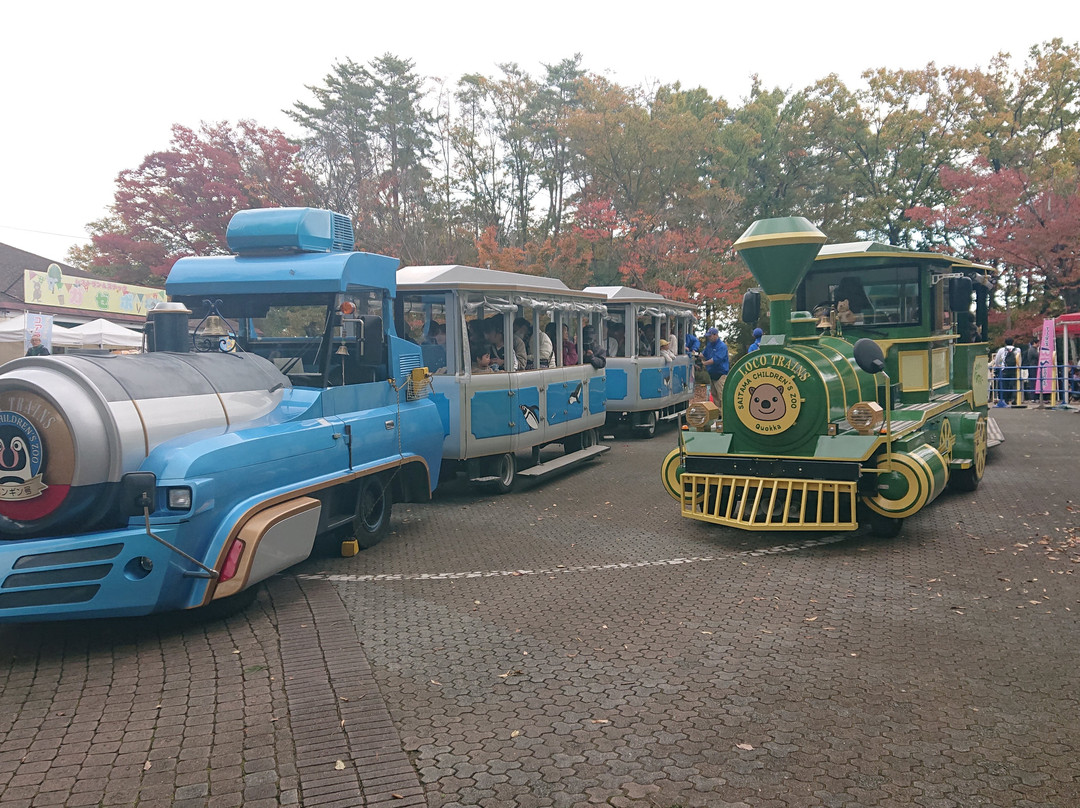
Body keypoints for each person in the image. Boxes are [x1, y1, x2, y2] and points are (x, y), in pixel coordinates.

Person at [701, 327, 729, 413]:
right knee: (714, 395)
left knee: (722, 395)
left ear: (715, 335)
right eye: (708, 336)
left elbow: (716, 360)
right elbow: (703, 354)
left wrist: (704, 363)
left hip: (720, 374)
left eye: (710, 336)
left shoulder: (722, 346)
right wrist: (698, 356)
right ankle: (719, 414)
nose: (709, 338)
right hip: (712, 374)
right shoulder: (709, 345)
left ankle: (726, 414)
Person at [993, 337, 1021, 404]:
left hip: (1004, 369)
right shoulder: (1017, 350)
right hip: (1014, 370)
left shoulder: (1001, 350)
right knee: (1014, 385)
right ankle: (1014, 399)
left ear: (1005, 343)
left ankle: (1005, 400)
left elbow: (997, 360)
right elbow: (1019, 360)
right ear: (1013, 342)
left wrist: (997, 366)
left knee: (1005, 385)